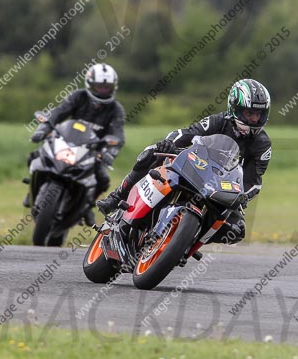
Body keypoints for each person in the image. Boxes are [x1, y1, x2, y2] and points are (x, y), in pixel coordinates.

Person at [97, 78, 272, 244]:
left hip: (221, 188)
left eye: (259, 114)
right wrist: (169, 143)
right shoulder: (217, 121)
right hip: (196, 168)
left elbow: (254, 181)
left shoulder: (262, 144)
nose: (255, 119)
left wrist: (243, 195)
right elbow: (187, 133)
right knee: (152, 152)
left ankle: (185, 242)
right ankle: (117, 196)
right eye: (249, 113)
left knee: (236, 230)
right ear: (235, 108)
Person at [26, 63, 125, 225]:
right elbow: (58, 113)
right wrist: (43, 129)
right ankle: (32, 192)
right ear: (90, 84)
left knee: (103, 178)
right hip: (66, 142)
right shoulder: (78, 96)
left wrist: (110, 152)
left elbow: (118, 134)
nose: (103, 90)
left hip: (92, 151)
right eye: (99, 86)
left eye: (107, 87)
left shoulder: (116, 109)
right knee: (35, 156)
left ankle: (87, 206)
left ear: (114, 87)